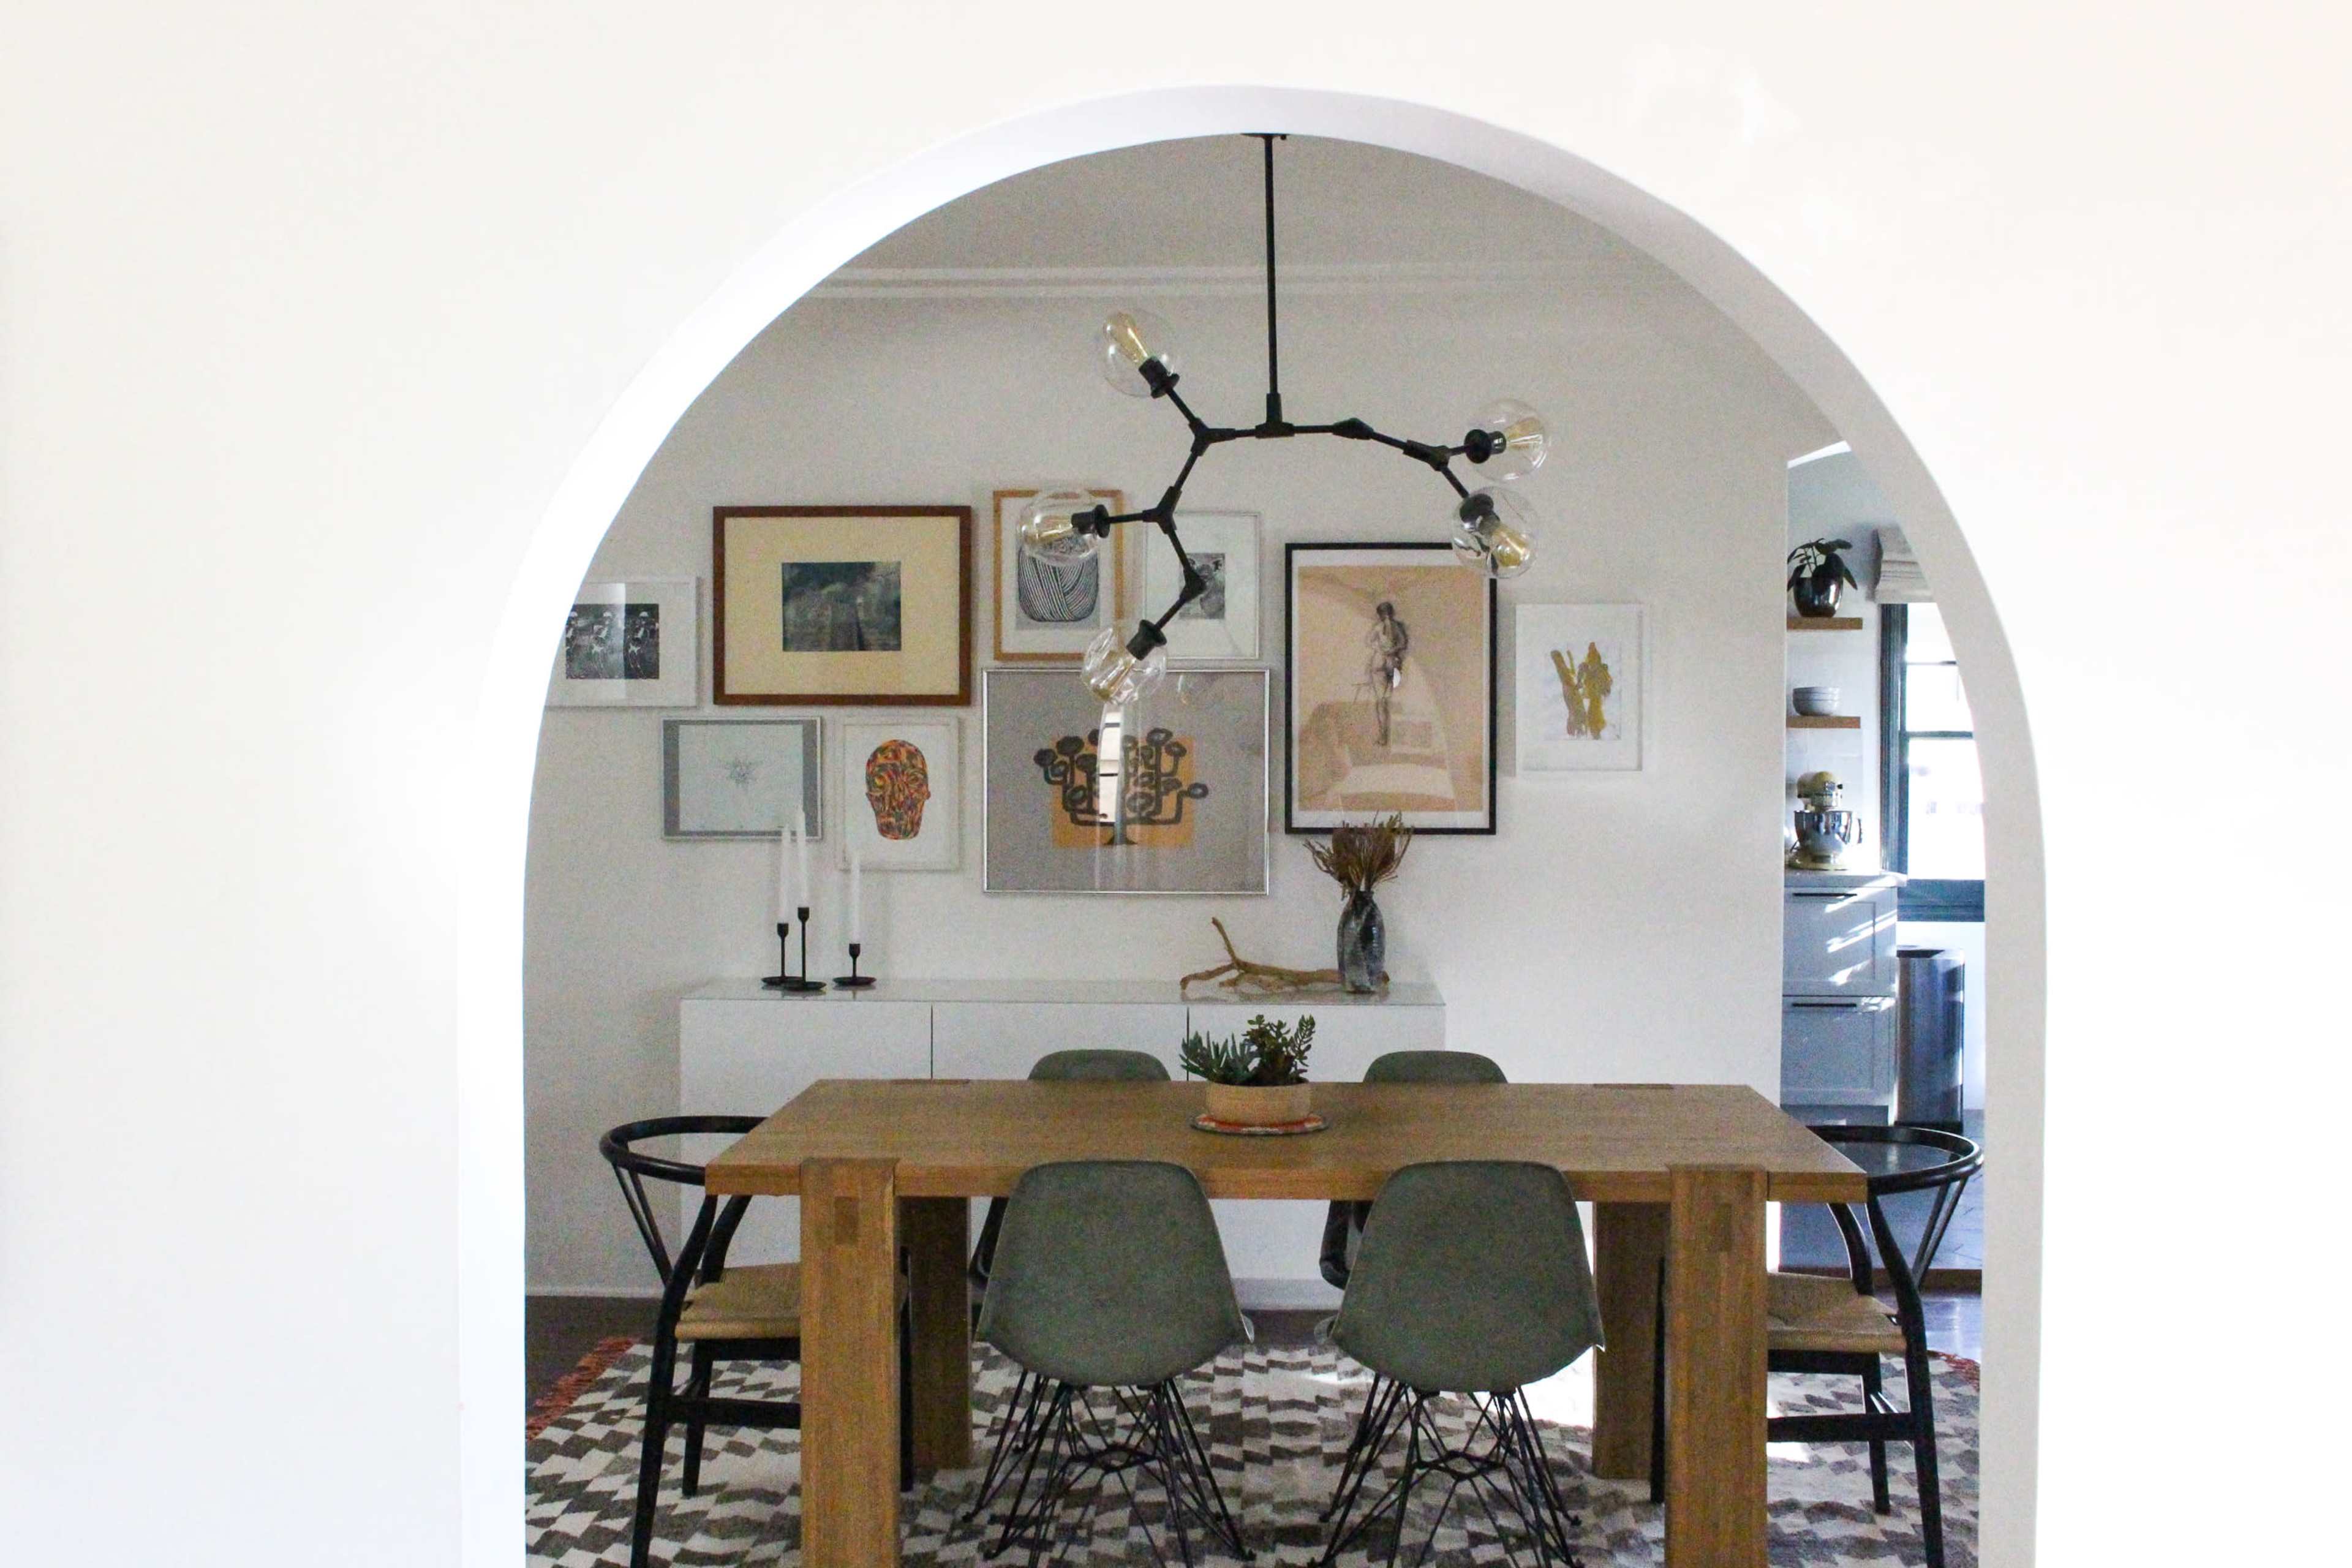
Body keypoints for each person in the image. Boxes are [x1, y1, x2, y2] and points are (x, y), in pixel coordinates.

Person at [1364, 600, 1409, 746]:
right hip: (1382, 664)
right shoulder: (1382, 627)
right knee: (1382, 702)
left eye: (1387, 614)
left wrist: (1390, 650)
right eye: (1384, 614)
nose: (1386, 617)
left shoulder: (1392, 627)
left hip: (1388, 664)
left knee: (1384, 702)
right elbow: (1369, 642)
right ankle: (1384, 735)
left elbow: (1403, 643)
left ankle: (1385, 736)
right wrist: (1384, 649)